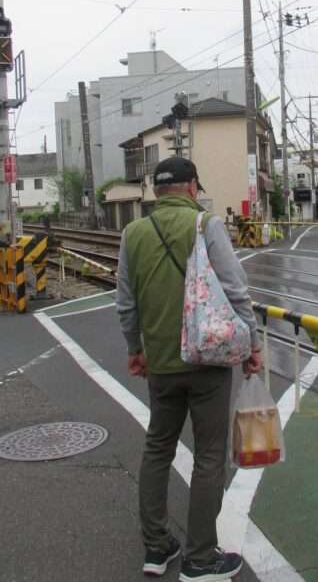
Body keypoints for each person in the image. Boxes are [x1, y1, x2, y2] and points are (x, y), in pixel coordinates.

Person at [116, 156, 263, 581]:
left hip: (160, 362)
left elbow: (125, 303)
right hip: (208, 359)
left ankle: (157, 547)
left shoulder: (132, 233)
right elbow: (236, 290)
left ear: (157, 191)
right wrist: (251, 344)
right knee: (209, 455)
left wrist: (134, 349)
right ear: (192, 187)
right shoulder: (206, 225)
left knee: (157, 448)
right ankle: (200, 558)